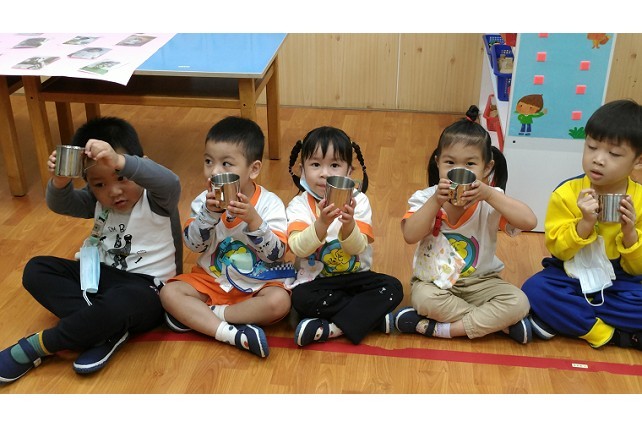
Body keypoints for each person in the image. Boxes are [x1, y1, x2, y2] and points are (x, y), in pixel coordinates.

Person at [0, 117, 182, 384]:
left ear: (139, 165)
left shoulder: (157, 199)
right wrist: (60, 180)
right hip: (98, 278)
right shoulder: (99, 201)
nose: (114, 191)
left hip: (147, 289)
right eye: (99, 185)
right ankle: (105, 332)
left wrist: (119, 161)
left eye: (122, 177)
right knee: (36, 270)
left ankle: (36, 346)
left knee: (122, 303)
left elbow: (171, 182)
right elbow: (62, 204)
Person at [395, 106, 538, 344]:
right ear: (438, 162)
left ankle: (442, 329)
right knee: (424, 299)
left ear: (487, 168)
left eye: (470, 164)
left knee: (519, 302)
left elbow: (530, 222)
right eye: (450, 162)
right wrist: (435, 202)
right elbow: (410, 235)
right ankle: (498, 325)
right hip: (436, 282)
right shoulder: (426, 197)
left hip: (483, 282)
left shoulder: (490, 200)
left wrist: (490, 194)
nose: (459, 170)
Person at [160, 116, 294, 358]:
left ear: (253, 169)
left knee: (279, 302)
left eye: (226, 164)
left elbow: (276, 254)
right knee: (169, 293)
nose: (214, 171)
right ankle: (229, 333)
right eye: (208, 161)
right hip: (212, 280)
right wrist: (208, 215)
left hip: (257, 284)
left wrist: (254, 220)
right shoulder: (203, 201)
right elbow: (193, 245)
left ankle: (209, 316)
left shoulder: (269, 203)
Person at [522, 99, 642, 350]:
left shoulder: (639, 199)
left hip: (620, 280)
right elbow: (559, 251)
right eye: (592, 147)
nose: (598, 159)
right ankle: (609, 334)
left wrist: (630, 233)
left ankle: (566, 320)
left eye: (614, 154)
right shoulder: (567, 193)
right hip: (571, 274)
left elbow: (636, 269)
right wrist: (584, 224)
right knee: (535, 290)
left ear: (637, 161)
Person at [286, 126, 403, 347]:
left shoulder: (359, 202)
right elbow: (299, 248)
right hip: (317, 282)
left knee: (393, 287)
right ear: (302, 170)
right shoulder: (298, 206)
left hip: (356, 279)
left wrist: (348, 224)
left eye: (334, 165)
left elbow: (357, 249)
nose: (324, 173)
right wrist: (321, 224)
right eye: (315, 165)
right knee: (299, 298)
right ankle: (369, 317)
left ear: (349, 172)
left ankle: (331, 328)